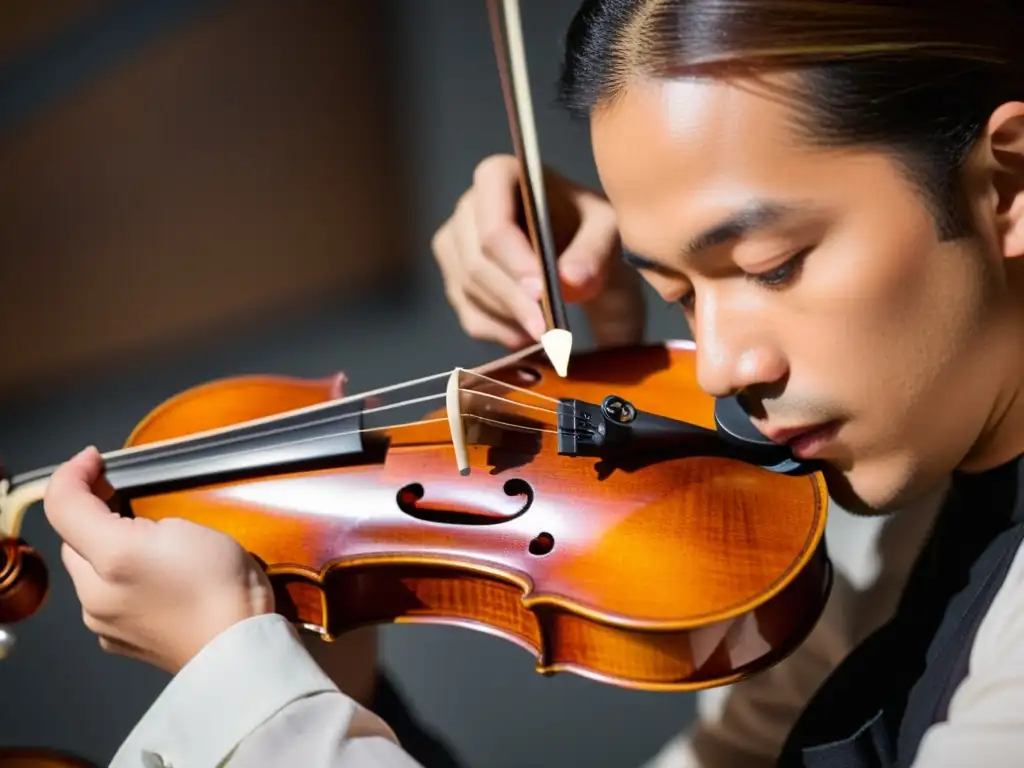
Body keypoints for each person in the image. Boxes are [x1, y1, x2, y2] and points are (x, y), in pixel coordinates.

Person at [39, 0, 1024, 765]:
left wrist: (246, 694)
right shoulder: (879, 525)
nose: (721, 369)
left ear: (1006, 187)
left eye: (769, 264)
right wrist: (322, 674)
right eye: (675, 290)